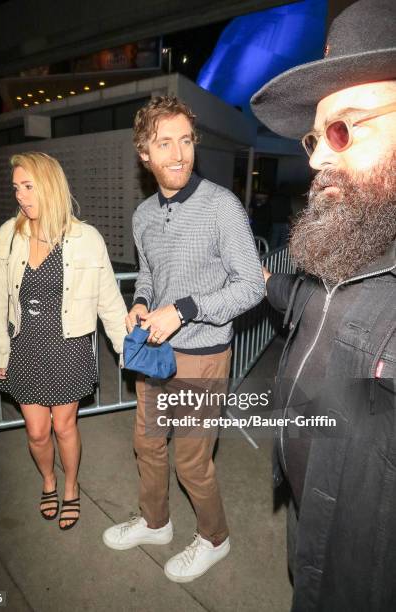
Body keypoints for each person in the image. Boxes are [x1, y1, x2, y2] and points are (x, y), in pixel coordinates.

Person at [250, 1, 396, 610]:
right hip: (309, 531)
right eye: (316, 136)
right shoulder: (344, 254)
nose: (314, 159)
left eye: (344, 129)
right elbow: (304, 302)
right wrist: (262, 278)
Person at [103, 96, 265, 581]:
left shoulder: (222, 206)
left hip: (202, 356)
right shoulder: (144, 216)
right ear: (144, 153)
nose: (178, 154)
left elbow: (251, 286)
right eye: (165, 142)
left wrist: (187, 309)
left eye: (186, 140)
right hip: (155, 351)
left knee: (192, 463)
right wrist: (140, 301)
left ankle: (214, 537)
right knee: (148, 445)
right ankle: (156, 522)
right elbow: (151, 277)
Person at [0, 152, 127, 530]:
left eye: (28, 186)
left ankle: (70, 486)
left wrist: (129, 349)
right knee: (36, 431)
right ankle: (47, 480)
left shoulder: (85, 239)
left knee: (64, 426)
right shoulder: (9, 235)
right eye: (16, 187)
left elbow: (110, 302)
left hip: (68, 347)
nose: (20, 195)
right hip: (25, 347)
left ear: (50, 186)